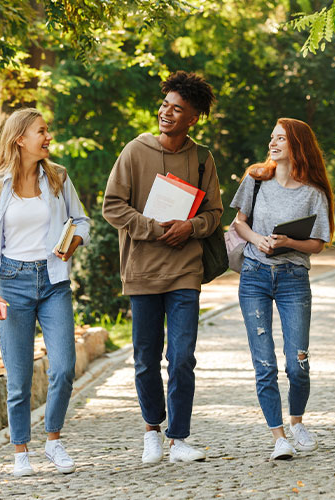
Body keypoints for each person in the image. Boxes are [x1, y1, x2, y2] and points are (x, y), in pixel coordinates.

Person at [102, 71, 222, 464]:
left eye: (177, 109)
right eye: (165, 105)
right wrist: (153, 230)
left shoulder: (203, 158)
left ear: (193, 118)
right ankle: (152, 428)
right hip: (142, 271)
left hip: (185, 271)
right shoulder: (134, 151)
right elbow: (113, 206)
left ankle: (179, 438)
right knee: (145, 357)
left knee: (183, 356)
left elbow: (215, 214)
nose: (166, 113)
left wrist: (191, 226)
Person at [0, 107, 90, 476]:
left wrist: (72, 244)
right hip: (12, 283)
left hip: (53, 282)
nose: (48, 137)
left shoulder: (58, 177)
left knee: (65, 367)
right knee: (19, 376)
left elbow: (82, 219)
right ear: (20, 138)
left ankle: (53, 441)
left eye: (48, 131)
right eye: (42, 131)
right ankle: (20, 449)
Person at [230, 118, 334, 460]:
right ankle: (278, 436)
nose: (273, 143)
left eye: (281, 139)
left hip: (293, 279)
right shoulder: (256, 179)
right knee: (264, 364)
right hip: (254, 276)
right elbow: (238, 224)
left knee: (297, 362)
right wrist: (259, 239)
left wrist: (288, 240)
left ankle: (298, 422)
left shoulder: (313, 192)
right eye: (271, 137)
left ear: (297, 145)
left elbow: (318, 243)